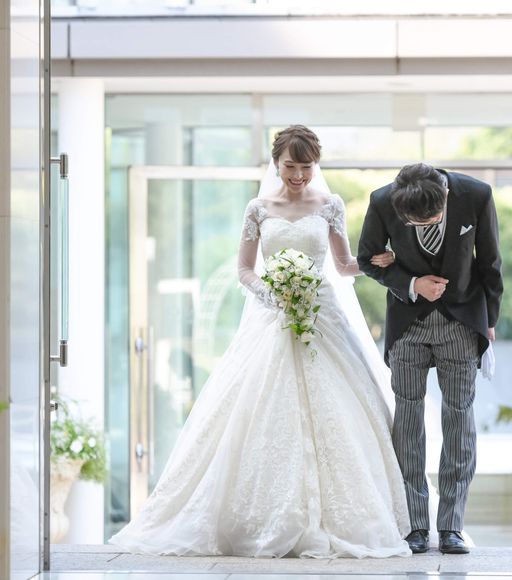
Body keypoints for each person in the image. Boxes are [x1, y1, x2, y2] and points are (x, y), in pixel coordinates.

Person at [109, 125, 412, 558]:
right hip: (273, 316)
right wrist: (272, 293)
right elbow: (245, 270)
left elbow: (344, 264)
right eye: (291, 166)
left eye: (307, 167)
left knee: (345, 408)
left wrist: (375, 263)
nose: (299, 175)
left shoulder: (330, 205)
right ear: (276, 164)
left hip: (322, 315)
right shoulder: (258, 209)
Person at [357, 162, 503, 555]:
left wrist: (489, 321)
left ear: (446, 196)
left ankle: (452, 526)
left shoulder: (477, 194)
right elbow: (366, 259)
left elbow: (490, 262)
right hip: (408, 326)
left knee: (459, 419)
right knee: (407, 421)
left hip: (462, 322)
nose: (423, 226)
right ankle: (414, 525)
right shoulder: (382, 200)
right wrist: (411, 283)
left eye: (431, 220)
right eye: (415, 223)